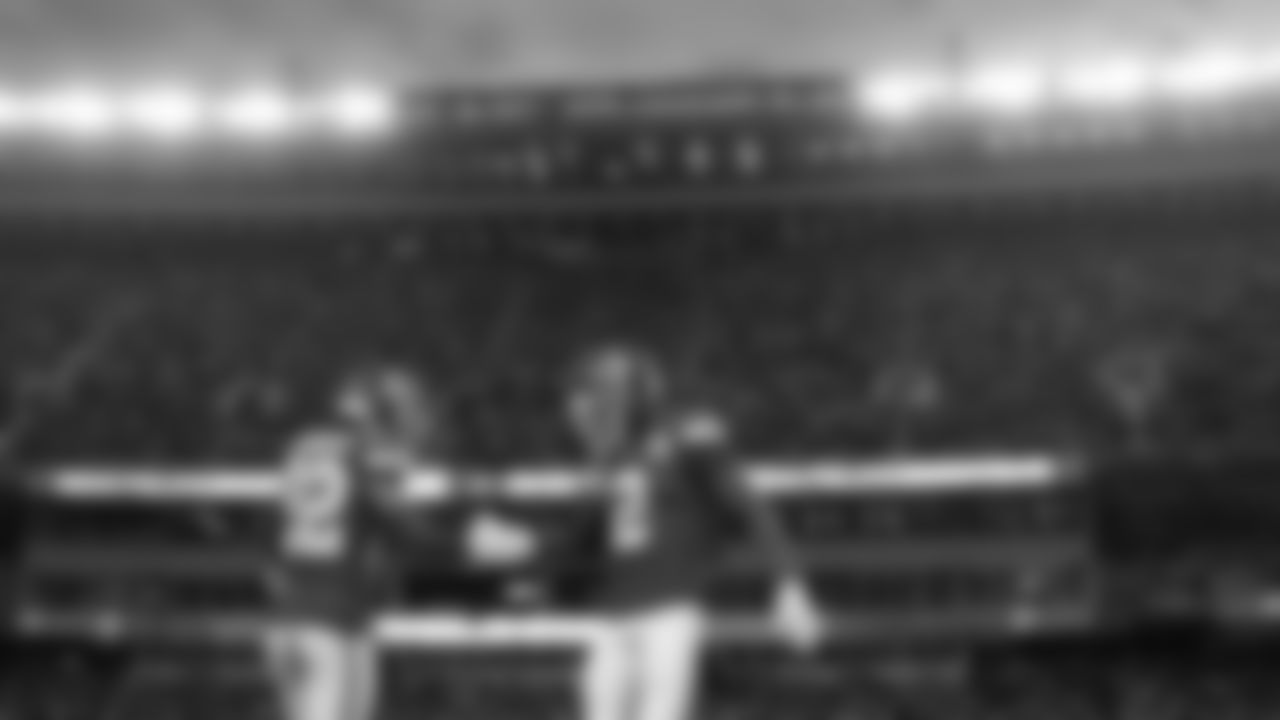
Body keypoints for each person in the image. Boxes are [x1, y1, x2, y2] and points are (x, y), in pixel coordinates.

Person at [564, 344, 824, 720]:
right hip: (612, 618)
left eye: (597, 398)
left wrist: (789, 581)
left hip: (666, 614)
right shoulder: (611, 462)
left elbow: (749, 505)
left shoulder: (685, 437)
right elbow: (581, 548)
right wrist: (520, 545)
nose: (584, 411)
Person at [266, 364, 442, 720]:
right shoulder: (358, 462)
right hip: (331, 627)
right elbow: (410, 531)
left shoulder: (305, 449)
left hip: (297, 621)